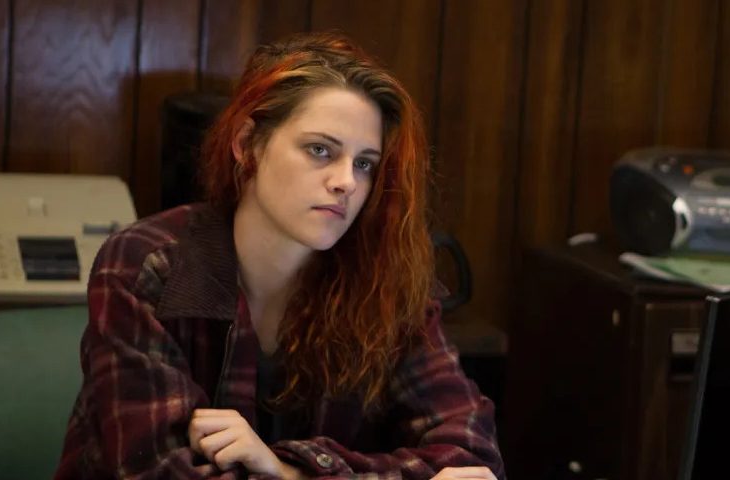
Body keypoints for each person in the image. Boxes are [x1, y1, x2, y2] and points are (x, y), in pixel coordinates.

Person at [55, 32, 503, 480]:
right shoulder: (147, 265)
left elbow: (473, 458)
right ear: (247, 143)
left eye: (364, 163)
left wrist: (292, 470)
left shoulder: (388, 281)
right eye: (320, 150)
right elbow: (162, 472)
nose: (346, 182)